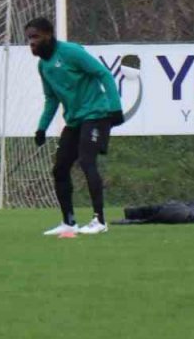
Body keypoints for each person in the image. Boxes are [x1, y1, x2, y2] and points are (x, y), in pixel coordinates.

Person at [27, 17, 123, 236]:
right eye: (29, 38)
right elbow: (51, 99)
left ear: (48, 35)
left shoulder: (71, 52)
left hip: (96, 114)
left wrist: (115, 108)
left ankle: (99, 221)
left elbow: (103, 73)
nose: (31, 42)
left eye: (35, 37)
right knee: (59, 168)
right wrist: (41, 128)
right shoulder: (43, 66)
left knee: (87, 160)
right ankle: (69, 222)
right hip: (74, 121)